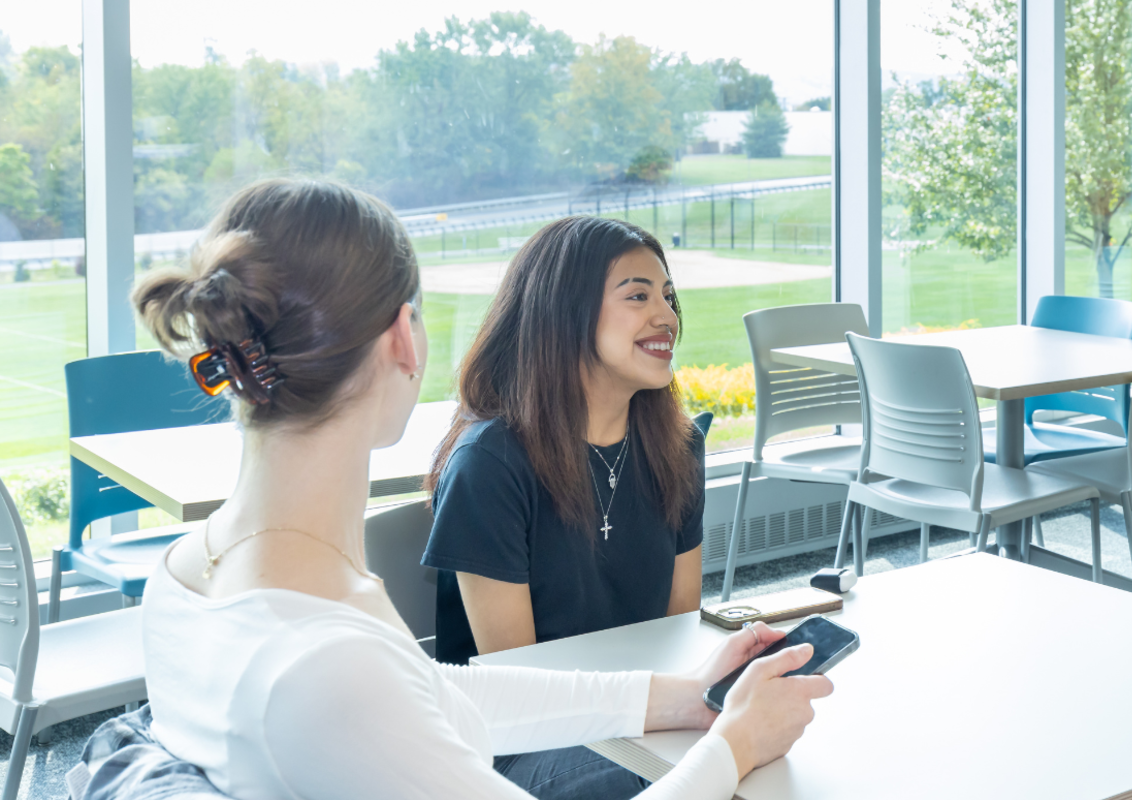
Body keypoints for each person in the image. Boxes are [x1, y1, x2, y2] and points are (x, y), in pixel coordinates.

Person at [135, 178, 832, 800]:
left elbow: (431, 692)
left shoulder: (182, 576)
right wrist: (732, 748)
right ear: (404, 339)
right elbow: (370, 689)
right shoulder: (327, 660)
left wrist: (685, 697)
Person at [422, 216, 705, 795]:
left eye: (669, 297)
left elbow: (681, 630)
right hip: (516, 741)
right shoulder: (491, 463)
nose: (667, 317)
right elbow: (521, 687)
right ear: (563, 312)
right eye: (638, 296)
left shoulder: (679, 448)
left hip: (646, 715)